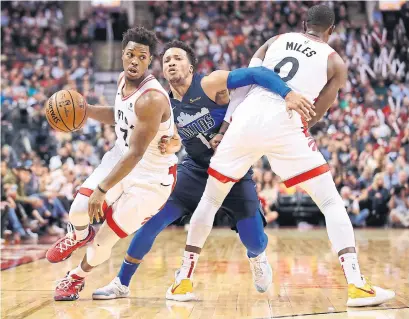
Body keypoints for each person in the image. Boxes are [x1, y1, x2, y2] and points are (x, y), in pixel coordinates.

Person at [167, 5, 395, 307]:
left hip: (247, 116)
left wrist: (228, 125)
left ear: (303, 23)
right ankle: (355, 285)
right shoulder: (336, 62)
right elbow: (317, 110)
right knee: (329, 201)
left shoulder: (276, 39)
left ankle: (183, 280)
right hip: (285, 119)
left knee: (210, 201)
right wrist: (292, 132)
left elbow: (247, 82)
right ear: (331, 31)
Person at [92, 40, 315, 300]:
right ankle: (122, 282)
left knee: (254, 241)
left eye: (178, 58)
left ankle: (258, 257)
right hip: (195, 170)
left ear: (190, 66)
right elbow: (174, 139)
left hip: (234, 171)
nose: (171, 63)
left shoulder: (210, 84)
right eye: (167, 61)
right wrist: (172, 143)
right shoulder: (163, 102)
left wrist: (287, 93)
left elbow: (258, 73)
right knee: (153, 221)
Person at [46, 27, 180, 301]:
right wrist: (84, 111)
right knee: (78, 211)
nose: (134, 61)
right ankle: (77, 235)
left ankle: (75, 278)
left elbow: (137, 153)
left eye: (141, 57)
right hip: (122, 155)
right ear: (122, 55)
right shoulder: (122, 80)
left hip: (151, 179)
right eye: (130, 54)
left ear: (149, 60)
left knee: (104, 240)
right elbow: (119, 116)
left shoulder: (151, 99)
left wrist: (103, 190)